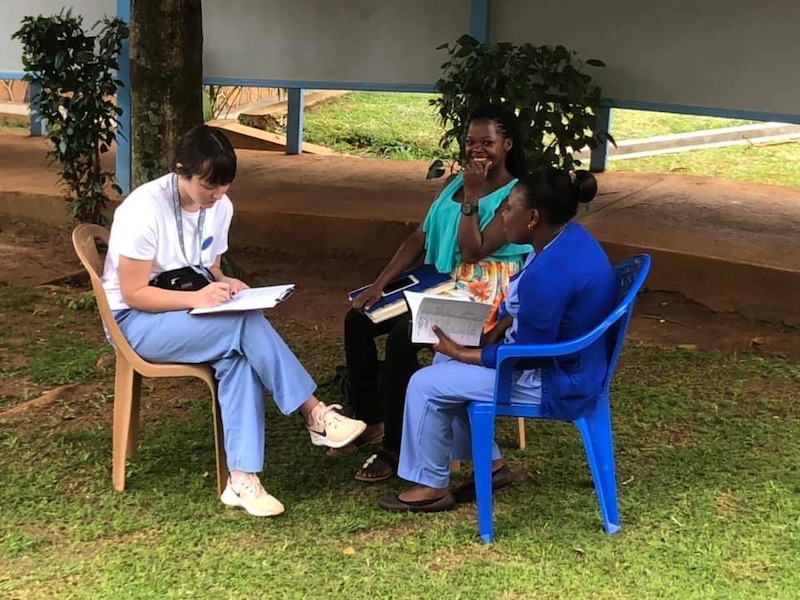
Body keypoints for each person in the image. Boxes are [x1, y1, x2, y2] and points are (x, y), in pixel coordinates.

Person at [101, 125, 366, 518]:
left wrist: (224, 284)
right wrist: (198, 297)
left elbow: (209, 266)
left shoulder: (220, 207)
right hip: (135, 320)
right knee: (242, 326)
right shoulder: (143, 209)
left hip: (184, 308)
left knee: (239, 356)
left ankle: (242, 480)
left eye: (226, 185)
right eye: (210, 185)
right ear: (181, 170)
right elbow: (135, 292)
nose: (219, 194)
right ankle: (314, 413)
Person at [377, 167, 618, 512]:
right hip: (572, 365)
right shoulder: (567, 239)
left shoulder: (548, 274)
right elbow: (523, 313)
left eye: (508, 208)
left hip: (554, 381)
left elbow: (526, 357)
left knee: (424, 384)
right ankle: (491, 466)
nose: (502, 216)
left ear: (532, 217)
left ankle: (431, 485)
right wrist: (489, 334)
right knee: (445, 367)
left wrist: (463, 351)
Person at [342, 105, 533, 482]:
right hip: (441, 282)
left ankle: (394, 450)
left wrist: (474, 197)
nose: (477, 150)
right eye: (471, 142)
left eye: (488, 143)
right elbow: (419, 237)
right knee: (358, 320)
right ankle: (372, 419)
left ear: (507, 144)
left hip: (484, 293)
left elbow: (474, 250)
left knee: (402, 338)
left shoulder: (515, 194)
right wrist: (379, 286)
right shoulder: (453, 184)